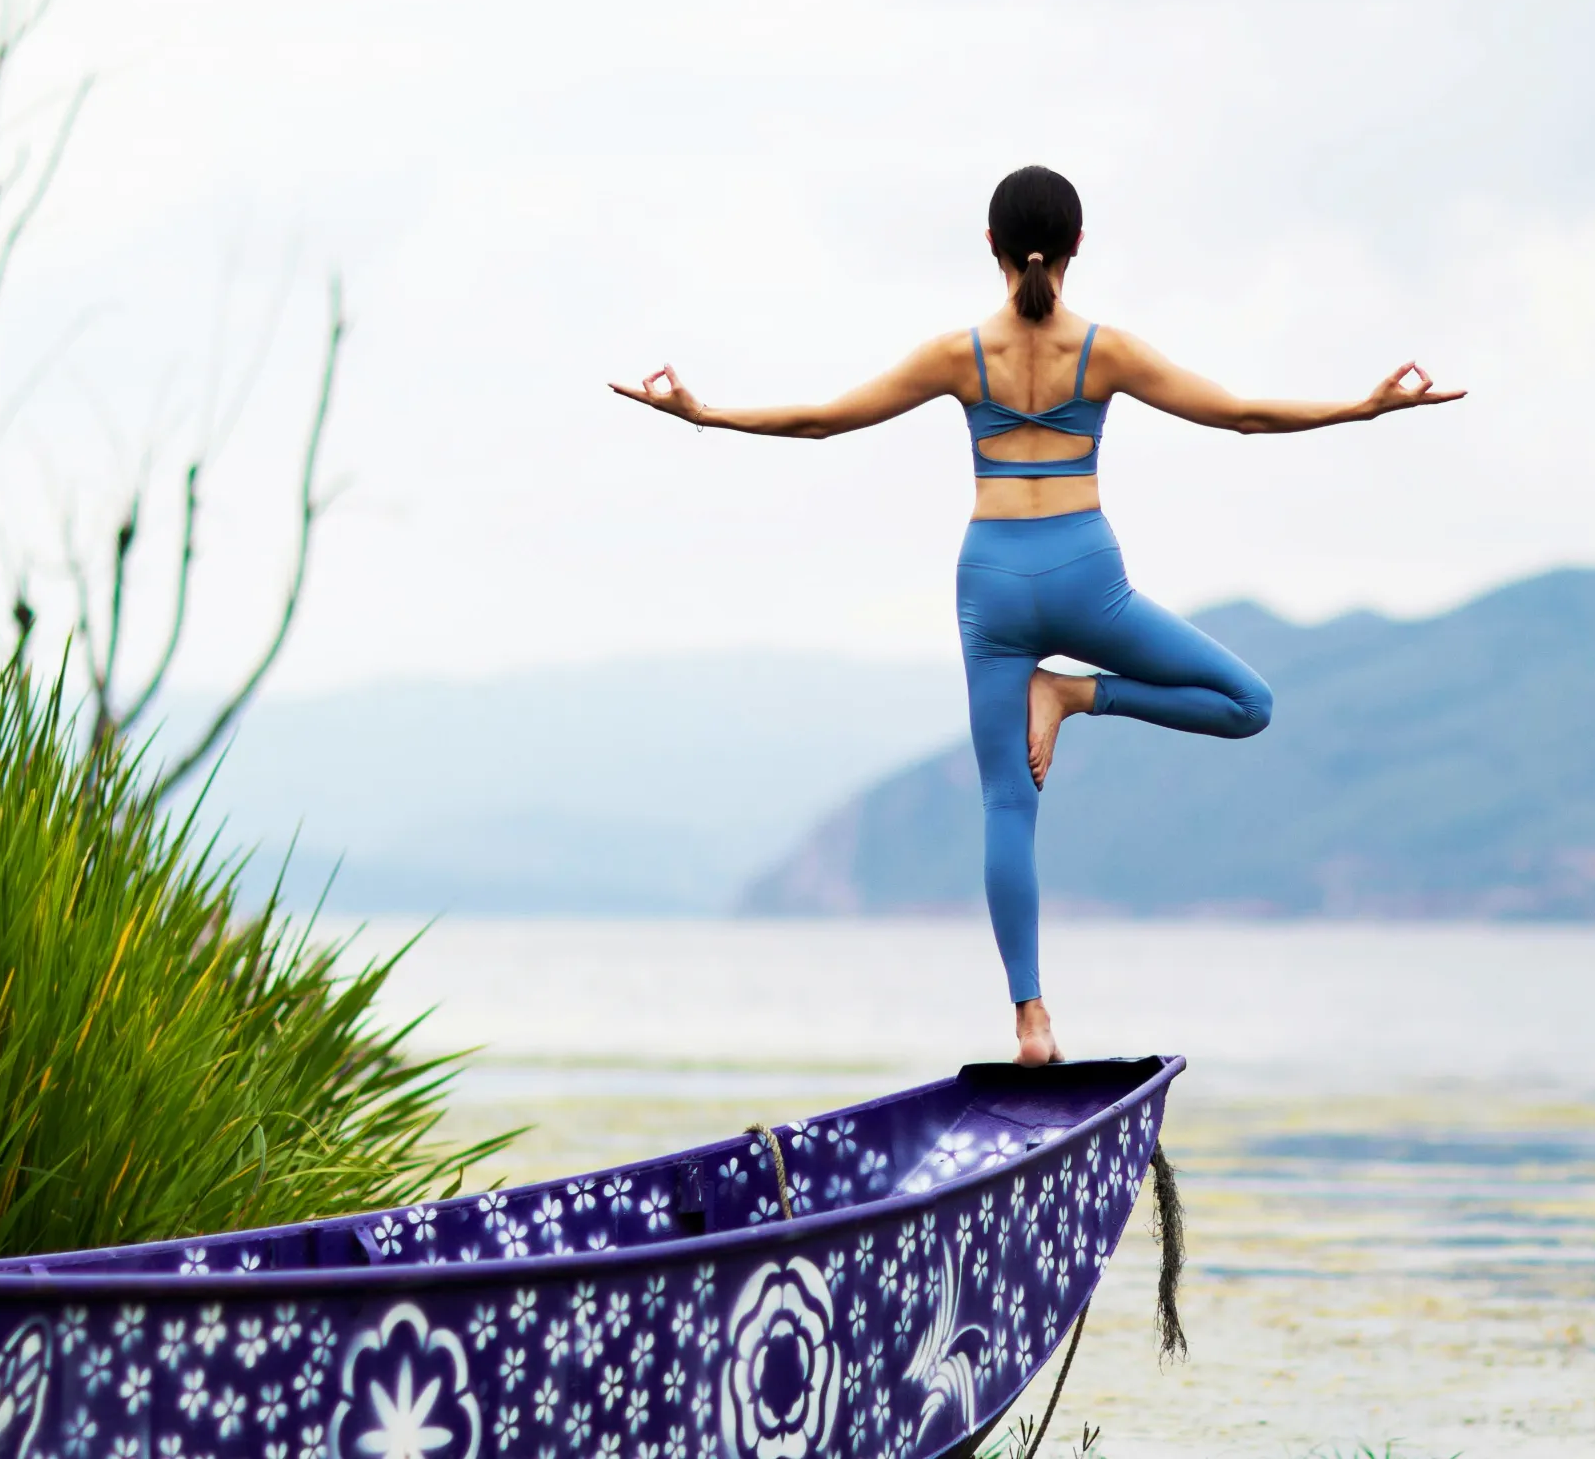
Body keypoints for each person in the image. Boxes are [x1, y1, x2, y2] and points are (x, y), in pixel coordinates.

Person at [611, 164, 1462, 1065]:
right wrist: (1364, 409)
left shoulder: (956, 355)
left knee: (1004, 807)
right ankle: (1079, 696)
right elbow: (1244, 416)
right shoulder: (1106, 351)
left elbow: (824, 420)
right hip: (1088, 580)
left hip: (990, 584)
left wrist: (702, 414)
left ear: (990, 246)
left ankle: (1031, 1021)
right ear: (1078, 247)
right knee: (1249, 704)